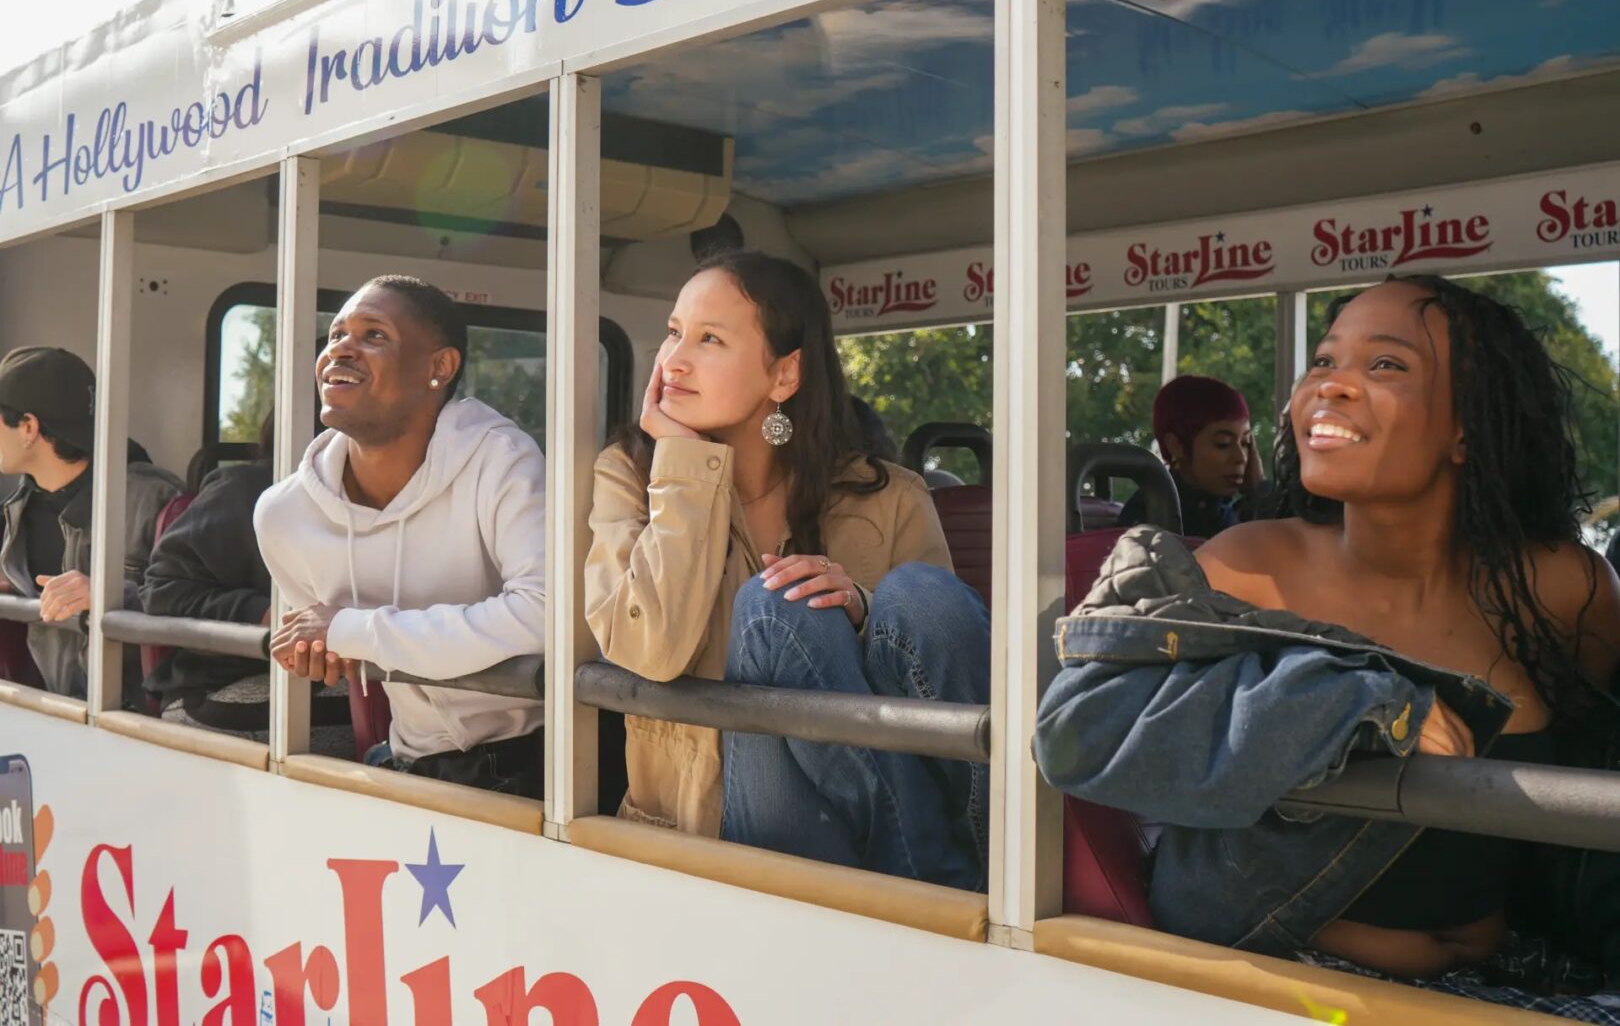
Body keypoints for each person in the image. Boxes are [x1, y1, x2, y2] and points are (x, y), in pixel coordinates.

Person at [1038, 275, 1620, 1017]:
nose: (1332, 385)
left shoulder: (1566, 589)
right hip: (1288, 981)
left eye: (1386, 364)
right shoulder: (1243, 566)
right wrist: (1360, 706)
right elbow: (1080, 729)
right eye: (1322, 361)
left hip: (1524, 976)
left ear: (1468, 428)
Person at [585, 250, 989, 890]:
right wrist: (683, 467)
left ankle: (975, 861)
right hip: (717, 827)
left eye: (709, 339)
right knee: (776, 605)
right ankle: (931, 874)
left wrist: (861, 607)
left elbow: (934, 658)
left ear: (785, 374)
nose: (674, 360)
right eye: (673, 332)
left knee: (923, 594)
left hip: (868, 812)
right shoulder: (630, 475)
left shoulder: (892, 496)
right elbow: (647, 654)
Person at [254, 275, 547, 798]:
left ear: (440, 367)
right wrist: (323, 646)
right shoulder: (284, 514)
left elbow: (544, 614)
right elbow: (327, 639)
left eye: (374, 335)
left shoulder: (501, 460)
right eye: (335, 335)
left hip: (540, 760)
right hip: (412, 758)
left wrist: (352, 630)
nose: (341, 349)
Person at [142, 412, 351, 750]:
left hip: (329, 674)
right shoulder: (244, 489)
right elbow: (161, 591)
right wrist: (268, 615)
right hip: (222, 684)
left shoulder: (394, 502)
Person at [0, 347, 182, 697]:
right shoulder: (14, 512)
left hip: (133, 716)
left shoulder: (159, 499)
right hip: (51, 710)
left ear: (28, 427)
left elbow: (197, 600)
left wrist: (111, 595)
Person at [1115, 374, 1262, 539]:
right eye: (1223, 444)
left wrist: (1259, 494)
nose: (1241, 458)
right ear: (1176, 446)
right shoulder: (1149, 518)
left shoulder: (1228, 511)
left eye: (1245, 443)